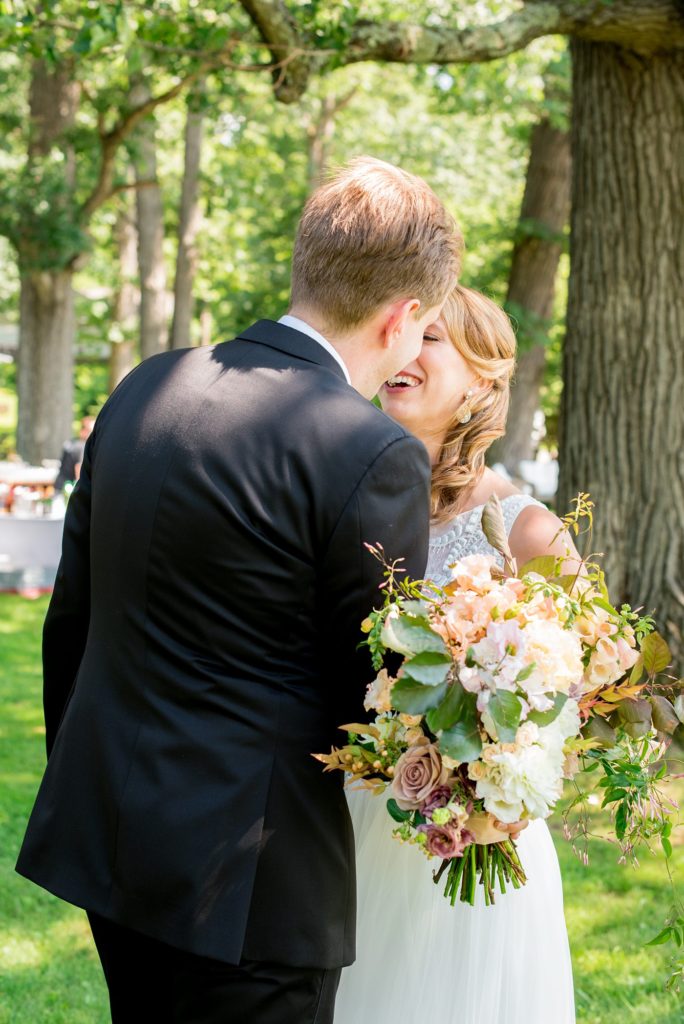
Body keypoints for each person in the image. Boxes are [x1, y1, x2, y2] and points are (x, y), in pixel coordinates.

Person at [15, 157, 462, 1024]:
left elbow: (73, 618)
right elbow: (370, 696)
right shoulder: (369, 453)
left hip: (110, 836)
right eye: (425, 330)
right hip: (249, 885)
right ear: (402, 318)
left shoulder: (146, 387)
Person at [334, 284, 577, 1024]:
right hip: (351, 827)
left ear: (482, 378)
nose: (403, 350)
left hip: (471, 845)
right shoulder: (347, 502)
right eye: (403, 334)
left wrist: (494, 788)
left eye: (430, 337)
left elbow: (579, 702)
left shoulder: (526, 533)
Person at [53, 415, 95, 492]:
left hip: (59, 485)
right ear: (83, 431)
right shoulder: (82, 446)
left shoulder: (71, 442)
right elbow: (79, 469)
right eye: (90, 431)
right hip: (68, 488)